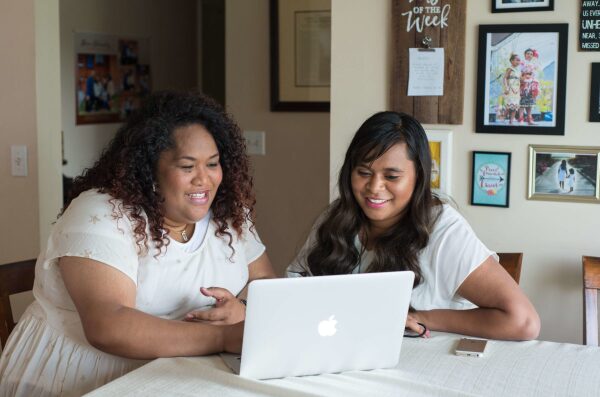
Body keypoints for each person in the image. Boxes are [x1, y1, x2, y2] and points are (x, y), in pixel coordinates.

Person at [0, 91, 276, 396]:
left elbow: (263, 279)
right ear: (150, 170)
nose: (204, 180)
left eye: (212, 164)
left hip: (184, 370)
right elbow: (109, 325)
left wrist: (244, 308)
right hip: (82, 377)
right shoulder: (103, 214)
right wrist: (223, 337)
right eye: (187, 167)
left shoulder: (227, 212)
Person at [287, 111, 540, 341]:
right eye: (364, 172)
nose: (374, 188)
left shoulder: (443, 229)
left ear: (418, 175)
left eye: (392, 176)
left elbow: (523, 321)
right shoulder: (337, 216)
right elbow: (292, 290)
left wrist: (422, 317)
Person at [503, 54, 521, 125]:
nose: (518, 61)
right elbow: (504, 78)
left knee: (515, 106)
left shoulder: (518, 70)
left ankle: (511, 121)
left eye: (519, 60)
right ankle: (503, 117)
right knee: (509, 105)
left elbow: (519, 79)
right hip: (510, 88)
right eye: (517, 60)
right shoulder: (510, 69)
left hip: (517, 89)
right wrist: (506, 87)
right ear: (511, 61)